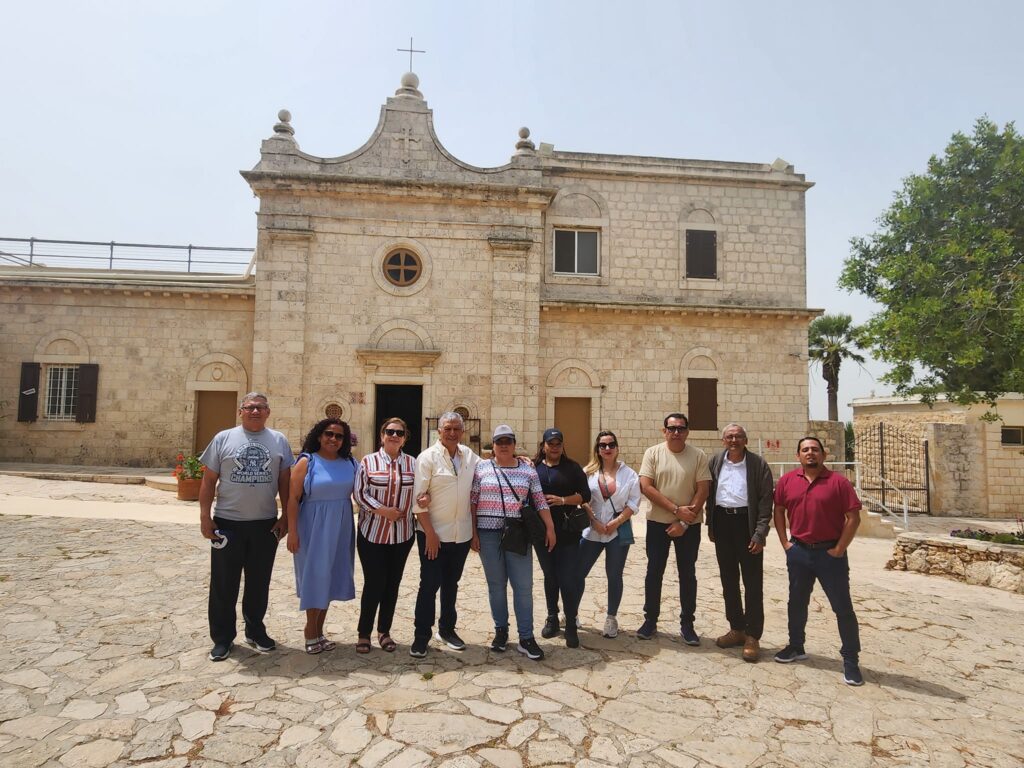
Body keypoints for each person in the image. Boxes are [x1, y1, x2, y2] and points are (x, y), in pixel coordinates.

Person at [199, 392, 293, 662]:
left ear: (268, 412)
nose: (255, 411)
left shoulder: (278, 441)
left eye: (260, 407)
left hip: (264, 524)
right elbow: (208, 482)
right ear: (241, 411)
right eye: (250, 407)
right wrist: (206, 517)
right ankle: (222, 639)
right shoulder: (223, 438)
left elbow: (285, 481)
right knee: (223, 584)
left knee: (258, 582)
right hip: (228, 523)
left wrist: (285, 515)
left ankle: (255, 631)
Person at [773, 436, 865, 685]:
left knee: (842, 608)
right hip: (799, 552)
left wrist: (839, 549)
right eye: (805, 450)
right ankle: (796, 646)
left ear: (823, 455)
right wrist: (785, 543)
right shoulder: (787, 481)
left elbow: (853, 518)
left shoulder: (839, 483)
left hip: (829, 555)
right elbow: (778, 510)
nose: (810, 453)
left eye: (815, 449)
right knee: (796, 603)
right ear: (798, 456)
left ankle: (850, 660)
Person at [471, 424, 555, 660]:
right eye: (500, 441)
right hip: (488, 534)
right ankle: (501, 630)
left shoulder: (528, 471)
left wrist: (550, 528)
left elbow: (539, 500)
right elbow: (473, 501)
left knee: (523, 586)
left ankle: (526, 637)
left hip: (518, 533)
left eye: (508, 441)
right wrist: (473, 533)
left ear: (514, 444)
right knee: (496, 586)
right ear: (493, 445)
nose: (504, 445)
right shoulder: (481, 468)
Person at [636, 412, 711, 645]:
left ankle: (687, 624)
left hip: (689, 526)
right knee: (654, 572)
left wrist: (684, 521)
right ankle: (650, 620)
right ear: (664, 431)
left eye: (681, 428)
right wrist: (676, 510)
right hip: (658, 523)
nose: (676, 432)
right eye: (672, 428)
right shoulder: (653, 453)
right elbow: (646, 487)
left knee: (687, 574)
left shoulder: (698, 456)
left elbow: (703, 489)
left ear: (687, 431)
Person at [409, 412, 479, 658]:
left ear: (462, 431)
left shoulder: (470, 456)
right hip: (434, 534)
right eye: (447, 428)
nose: (452, 433)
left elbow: (490, 471)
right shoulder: (427, 458)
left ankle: (447, 630)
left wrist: (521, 460)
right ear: (439, 431)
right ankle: (421, 637)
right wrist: (429, 533)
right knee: (428, 585)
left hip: (461, 535)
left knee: (451, 585)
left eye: (456, 429)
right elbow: (419, 500)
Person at [285, 418, 357, 654]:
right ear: (319, 435)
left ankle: (320, 631)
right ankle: (310, 631)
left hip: (341, 525)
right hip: (312, 526)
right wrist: (292, 531)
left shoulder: (350, 463)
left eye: (339, 436)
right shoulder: (307, 461)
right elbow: (293, 499)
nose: (333, 439)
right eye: (329, 434)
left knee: (331, 577)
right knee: (315, 577)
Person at [706, 423, 774, 663]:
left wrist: (760, 533)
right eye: (729, 436)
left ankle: (753, 635)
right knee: (728, 580)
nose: (734, 440)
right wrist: (710, 525)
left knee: (753, 582)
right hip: (723, 524)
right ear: (723, 440)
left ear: (745, 440)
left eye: (738, 436)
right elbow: (709, 493)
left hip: (747, 524)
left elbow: (766, 502)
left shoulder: (758, 465)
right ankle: (736, 628)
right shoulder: (716, 462)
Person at [353, 417, 417, 654]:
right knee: (374, 583)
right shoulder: (367, 462)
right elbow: (359, 494)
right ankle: (363, 633)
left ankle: (384, 631)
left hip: (402, 535)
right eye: (389, 431)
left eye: (399, 433)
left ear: (404, 438)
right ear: (381, 435)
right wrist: (384, 511)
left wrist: (423, 499)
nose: (394, 436)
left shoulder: (413, 463)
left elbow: (422, 490)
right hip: (372, 535)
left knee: (393, 584)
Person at [533, 428, 591, 647]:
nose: (554, 447)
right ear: (544, 445)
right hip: (541, 533)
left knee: (567, 579)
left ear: (562, 445)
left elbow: (585, 495)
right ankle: (552, 617)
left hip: (567, 533)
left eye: (558, 443)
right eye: (551, 443)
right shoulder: (534, 468)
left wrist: (563, 500)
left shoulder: (572, 468)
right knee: (550, 576)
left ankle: (572, 624)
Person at [578, 430, 639, 639]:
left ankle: (611, 618)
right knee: (578, 573)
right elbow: (582, 498)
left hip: (617, 531)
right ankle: (571, 614)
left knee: (614, 576)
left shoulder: (629, 474)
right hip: (591, 530)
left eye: (611, 444)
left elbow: (633, 503)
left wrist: (616, 522)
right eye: (602, 445)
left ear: (617, 447)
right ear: (597, 449)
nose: (607, 449)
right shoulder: (588, 472)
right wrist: (594, 520)